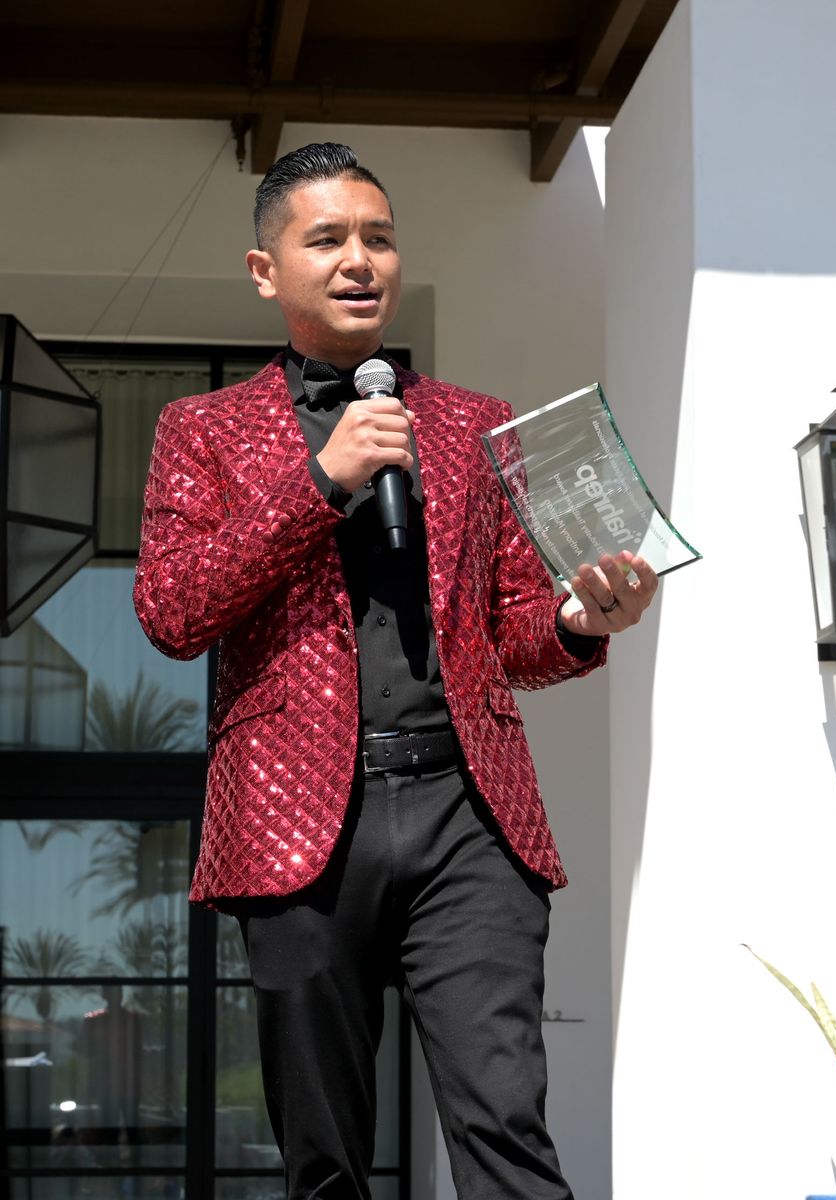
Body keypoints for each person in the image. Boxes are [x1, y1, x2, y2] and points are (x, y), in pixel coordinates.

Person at [133, 142, 659, 1200]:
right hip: (295, 825)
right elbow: (173, 612)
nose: (359, 259)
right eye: (327, 238)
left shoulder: (472, 422)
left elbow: (513, 632)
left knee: (507, 1128)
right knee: (325, 1160)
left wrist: (578, 619)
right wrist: (321, 482)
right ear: (265, 270)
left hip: (469, 811)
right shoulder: (203, 431)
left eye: (378, 236)